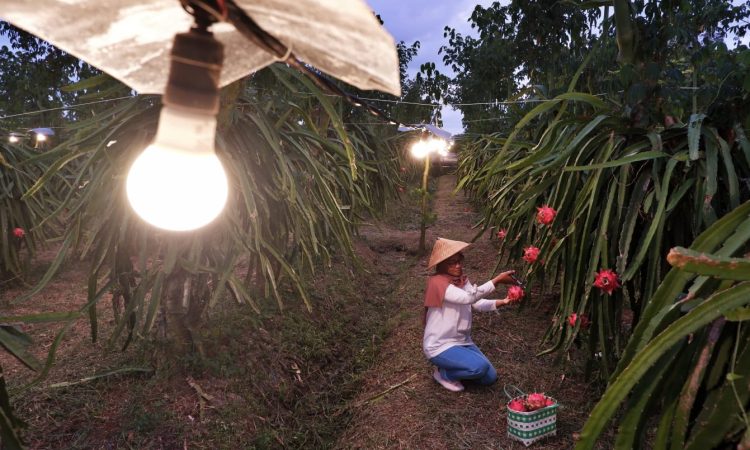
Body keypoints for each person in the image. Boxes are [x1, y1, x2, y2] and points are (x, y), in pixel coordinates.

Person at [423, 237, 518, 392]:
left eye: (459, 261)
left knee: (490, 377)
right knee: (479, 368)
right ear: (441, 265)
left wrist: (503, 301)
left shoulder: (460, 280)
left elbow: (477, 303)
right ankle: (444, 373)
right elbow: (467, 298)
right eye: (452, 263)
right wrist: (497, 280)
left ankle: (459, 367)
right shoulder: (438, 282)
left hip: (462, 341)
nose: (458, 266)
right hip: (440, 345)